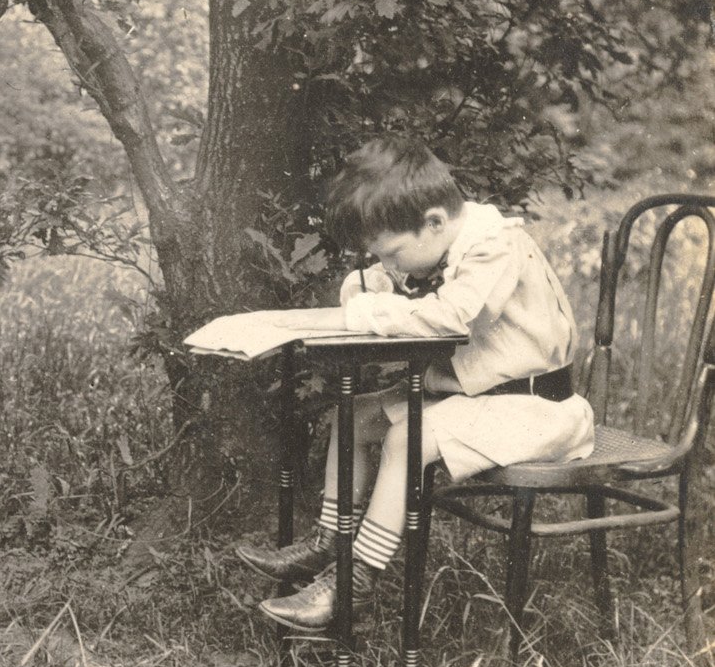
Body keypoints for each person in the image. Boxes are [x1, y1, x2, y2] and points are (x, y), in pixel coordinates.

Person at [215, 136, 595, 631]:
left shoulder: (494, 245)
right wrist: (376, 285)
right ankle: (330, 542)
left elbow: (451, 317)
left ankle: (354, 584)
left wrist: (371, 310)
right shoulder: (440, 245)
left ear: (434, 221)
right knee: (354, 415)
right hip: (479, 401)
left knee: (406, 437)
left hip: (538, 409)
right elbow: (387, 284)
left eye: (392, 254)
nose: (389, 265)